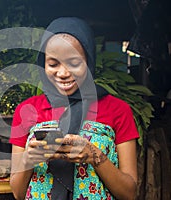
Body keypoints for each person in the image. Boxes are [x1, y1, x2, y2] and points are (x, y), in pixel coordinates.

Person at [9, 17, 139, 200]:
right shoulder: (27, 109)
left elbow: (129, 193)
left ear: (89, 60)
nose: (63, 73)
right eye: (53, 64)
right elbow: (17, 193)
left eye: (74, 63)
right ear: (43, 63)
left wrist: (93, 155)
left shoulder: (118, 110)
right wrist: (29, 159)